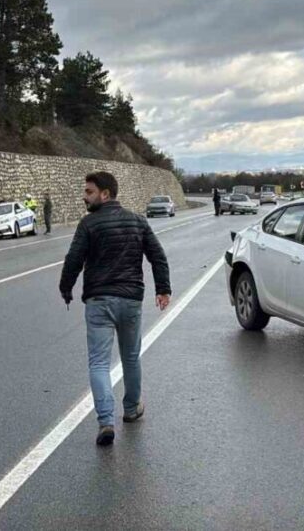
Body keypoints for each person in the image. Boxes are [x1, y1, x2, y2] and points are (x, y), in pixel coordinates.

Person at [60, 171, 171, 447]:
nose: (84, 197)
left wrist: (66, 288)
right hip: (131, 299)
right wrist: (162, 289)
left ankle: (105, 421)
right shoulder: (137, 221)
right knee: (131, 357)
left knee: (98, 362)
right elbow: (157, 256)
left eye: (89, 192)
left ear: (105, 194)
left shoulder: (88, 225)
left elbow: (74, 259)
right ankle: (132, 409)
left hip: (99, 301)